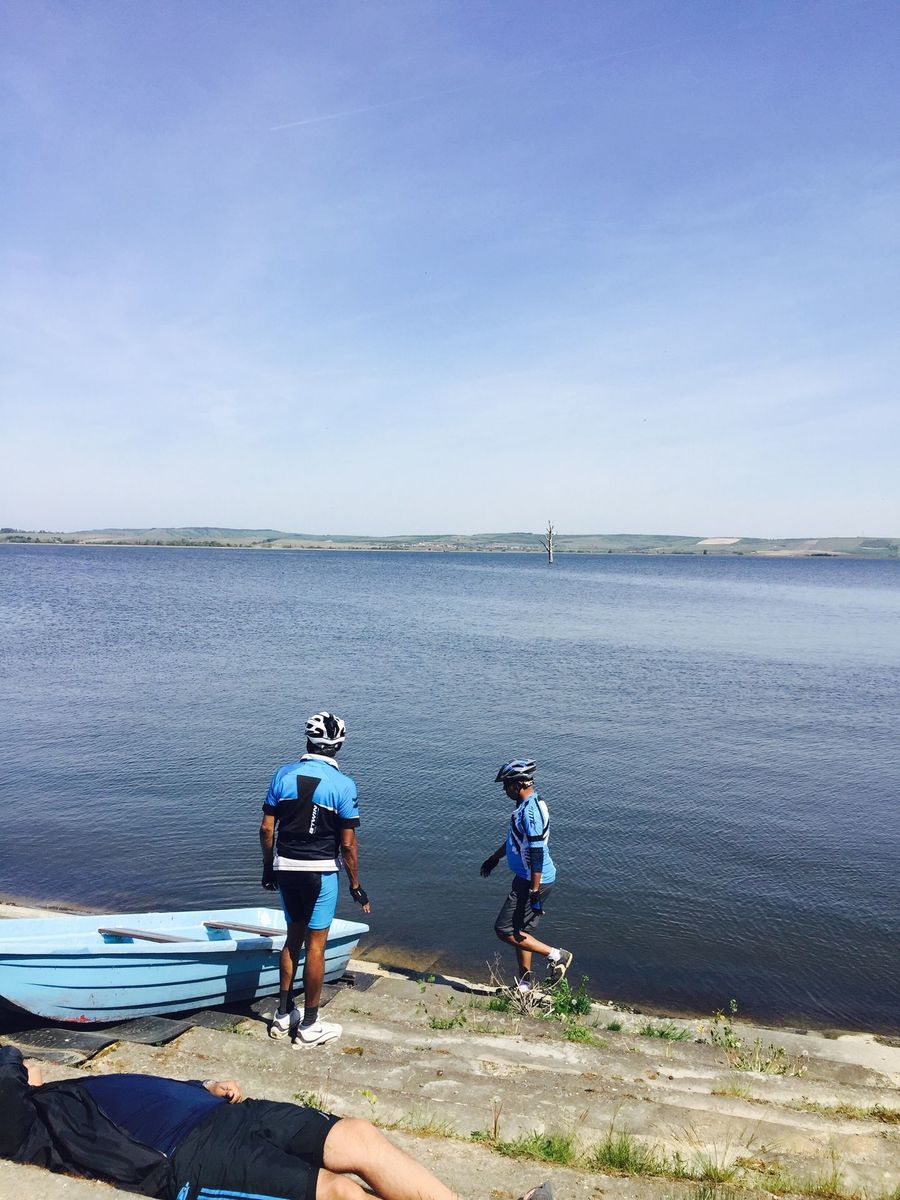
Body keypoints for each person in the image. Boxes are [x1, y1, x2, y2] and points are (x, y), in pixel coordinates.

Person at [0, 1046, 552, 1200]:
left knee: (356, 1134)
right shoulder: (28, 1122)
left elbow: (143, 1093)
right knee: (337, 1191)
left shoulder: (63, 1093)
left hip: (225, 1110)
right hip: (187, 1158)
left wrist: (200, 1085)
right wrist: (18, 1066)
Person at [259, 711, 371, 1047]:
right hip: (320, 871)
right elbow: (348, 845)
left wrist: (268, 867)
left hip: (285, 866)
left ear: (308, 741)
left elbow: (266, 829)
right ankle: (309, 1026)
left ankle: (283, 1015)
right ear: (339, 746)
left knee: (292, 939)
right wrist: (355, 885)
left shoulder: (282, 774)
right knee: (316, 947)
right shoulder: (343, 784)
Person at [480, 759, 572, 992]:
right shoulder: (528, 805)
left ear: (519, 784)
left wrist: (534, 890)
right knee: (522, 932)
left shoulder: (530, 812)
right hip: (527, 878)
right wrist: (494, 858)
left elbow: (537, 851)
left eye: (507, 784)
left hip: (533, 880)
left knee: (504, 929)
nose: (505, 790)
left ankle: (557, 955)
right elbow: (515, 840)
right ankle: (525, 986)